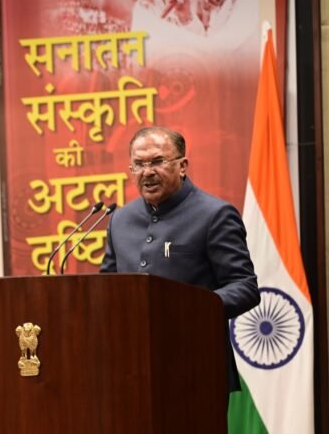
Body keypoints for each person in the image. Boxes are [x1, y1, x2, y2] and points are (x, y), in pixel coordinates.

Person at [100, 126, 260, 393]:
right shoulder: (120, 219)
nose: (147, 172)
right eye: (138, 164)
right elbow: (107, 288)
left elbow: (245, 287)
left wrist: (188, 309)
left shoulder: (215, 215)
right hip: (130, 370)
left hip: (195, 366)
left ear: (182, 166)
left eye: (157, 161)